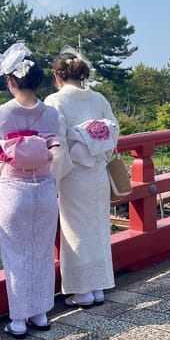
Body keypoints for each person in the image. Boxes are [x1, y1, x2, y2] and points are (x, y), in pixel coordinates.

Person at [0, 41, 61, 338]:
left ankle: (18, 320)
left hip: (15, 190)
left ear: (9, 82)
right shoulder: (51, 114)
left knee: (16, 256)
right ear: (38, 80)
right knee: (42, 252)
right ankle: (40, 314)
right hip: (45, 189)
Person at [45, 50, 118, 307]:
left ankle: (82, 291)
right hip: (98, 172)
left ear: (57, 75)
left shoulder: (55, 101)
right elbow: (113, 131)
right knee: (98, 229)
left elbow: (58, 145)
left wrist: (53, 179)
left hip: (74, 174)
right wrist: (95, 146)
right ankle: (99, 286)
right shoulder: (98, 98)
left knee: (75, 231)